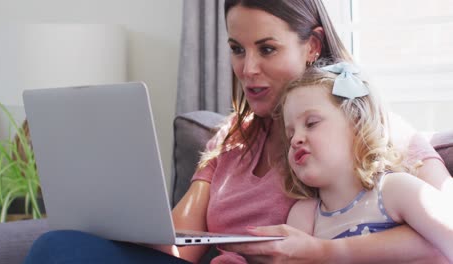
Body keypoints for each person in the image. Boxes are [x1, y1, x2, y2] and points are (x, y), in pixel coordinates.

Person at [25, 0, 453, 263]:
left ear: (313, 45)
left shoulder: (369, 129)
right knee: (60, 245)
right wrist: (108, 203)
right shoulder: (231, 136)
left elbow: (442, 231)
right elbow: (179, 248)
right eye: (236, 49)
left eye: (267, 49)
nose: (247, 69)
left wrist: (327, 253)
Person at [279, 62, 453, 262]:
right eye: (289, 133)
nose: (295, 139)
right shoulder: (305, 215)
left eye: (311, 123)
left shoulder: (394, 189)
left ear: (356, 123)